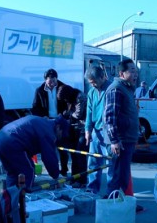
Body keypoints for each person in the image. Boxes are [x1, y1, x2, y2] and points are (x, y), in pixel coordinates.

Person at [0, 115, 69, 189]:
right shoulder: (48, 132)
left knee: (13, 173)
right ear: (58, 127)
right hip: (12, 142)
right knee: (28, 171)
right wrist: (56, 175)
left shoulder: (43, 123)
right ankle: (26, 197)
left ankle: (10, 198)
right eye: (62, 133)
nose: (61, 137)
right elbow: (49, 157)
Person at [102, 59, 139, 197]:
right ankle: (112, 205)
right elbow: (110, 117)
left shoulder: (127, 88)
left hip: (126, 140)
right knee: (116, 175)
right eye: (132, 71)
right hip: (119, 142)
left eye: (136, 71)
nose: (135, 74)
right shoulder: (117, 89)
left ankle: (124, 205)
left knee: (123, 174)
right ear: (121, 73)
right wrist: (114, 141)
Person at [84, 65, 109, 194]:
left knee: (110, 165)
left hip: (108, 132)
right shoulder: (91, 92)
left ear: (102, 77)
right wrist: (87, 130)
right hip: (95, 132)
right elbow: (88, 112)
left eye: (94, 82)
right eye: (90, 82)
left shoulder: (110, 90)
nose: (92, 84)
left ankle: (112, 193)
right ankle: (92, 189)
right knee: (93, 163)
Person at [57, 84, 87, 183]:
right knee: (73, 154)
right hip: (74, 129)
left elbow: (78, 114)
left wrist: (67, 114)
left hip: (83, 129)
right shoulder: (70, 99)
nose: (65, 101)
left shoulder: (79, 96)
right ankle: (74, 178)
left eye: (65, 99)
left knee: (80, 154)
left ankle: (82, 180)